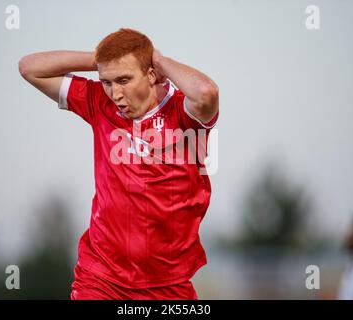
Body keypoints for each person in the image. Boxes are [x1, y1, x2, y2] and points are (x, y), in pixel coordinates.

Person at [18, 28, 219, 300]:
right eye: (107, 82)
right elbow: (30, 68)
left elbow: (206, 92)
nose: (115, 93)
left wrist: (158, 60)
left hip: (167, 282)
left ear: (150, 74)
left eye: (124, 79)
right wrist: (101, 60)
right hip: (101, 276)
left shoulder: (185, 113)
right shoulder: (98, 102)